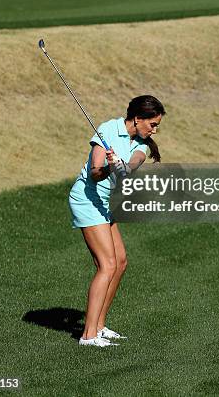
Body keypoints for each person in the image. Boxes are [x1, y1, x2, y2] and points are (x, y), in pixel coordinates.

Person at [68, 95, 166, 347]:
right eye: (152, 124)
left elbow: (132, 166)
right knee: (107, 264)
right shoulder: (108, 130)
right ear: (137, 118)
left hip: (102, 203)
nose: (155, 129)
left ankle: (99, 327)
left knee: (120, 262)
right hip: (87, 199)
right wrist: (109, 168)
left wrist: (120, 166)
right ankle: (88, 336)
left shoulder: (141, 145)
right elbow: (95, 174)